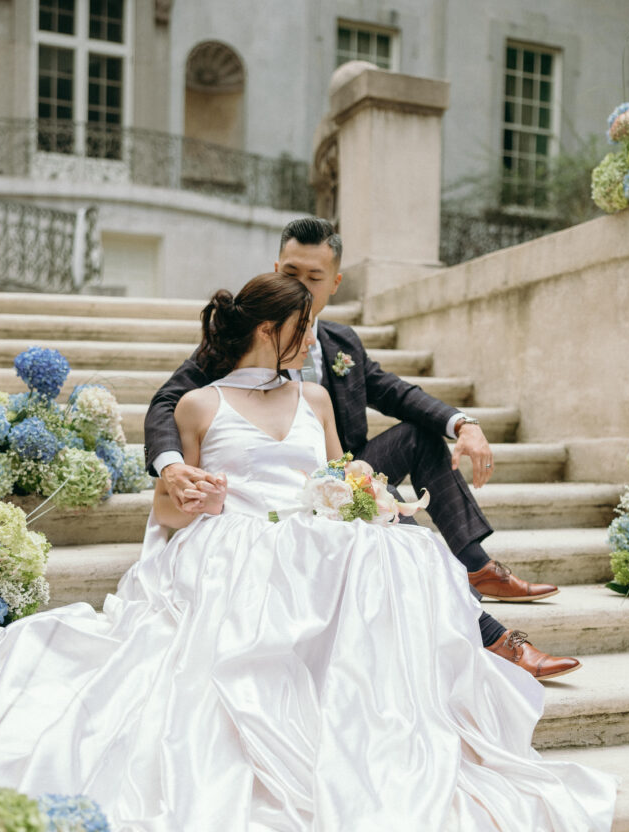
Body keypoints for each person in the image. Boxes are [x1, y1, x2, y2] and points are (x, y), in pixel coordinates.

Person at [0, 273, 616, 832]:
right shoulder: (200, 405)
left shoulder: (317, 397)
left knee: (402, 555)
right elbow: (171, 514)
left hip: (314, 539)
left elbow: (339, 480)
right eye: (302, 327)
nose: (312, 337)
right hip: (234, 547)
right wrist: (181, 488)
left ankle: (401, 703)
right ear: (270, 331)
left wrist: (370, 503)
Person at [144, 218, 579, 682]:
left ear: (334, 282)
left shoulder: (338, 344)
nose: (299, 286)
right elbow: (167, 403)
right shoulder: (240, 340)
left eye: (313, 279)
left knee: (416, 445)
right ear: (275, 271)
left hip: (332, 477)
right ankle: (479, 604)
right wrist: (172, 469)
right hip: (261, 507)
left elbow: (397, 395)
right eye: (290, 274)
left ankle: (475, 568)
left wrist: (462, 423)